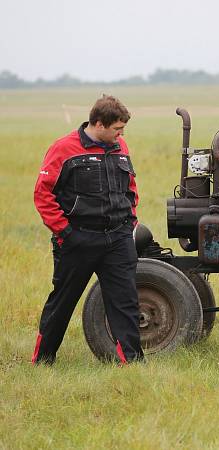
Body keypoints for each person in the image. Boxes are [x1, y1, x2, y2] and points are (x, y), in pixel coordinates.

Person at [32, 95, 143, 364]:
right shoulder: (63, 149)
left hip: (117, 238)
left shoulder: (120, 146)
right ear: (99, 124)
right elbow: (42, 194)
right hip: (77, 240)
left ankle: (132, 362)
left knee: (126, 302)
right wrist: (66, 233)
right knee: (63, 302)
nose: (121, 134)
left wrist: (130, 221)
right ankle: (43, 359)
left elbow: (130, 188)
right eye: (117, 128)